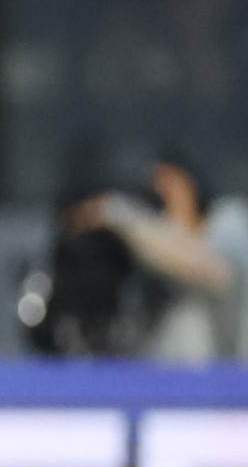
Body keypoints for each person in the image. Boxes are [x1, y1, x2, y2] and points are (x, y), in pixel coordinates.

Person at [87, 150, 248, 361]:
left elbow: (213, 272)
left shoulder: (229, 219)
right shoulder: (150, 242)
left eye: (169, 181)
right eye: (155, 184)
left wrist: (123, 215)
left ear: (190, 180)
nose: (162, 190)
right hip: (181, 373)